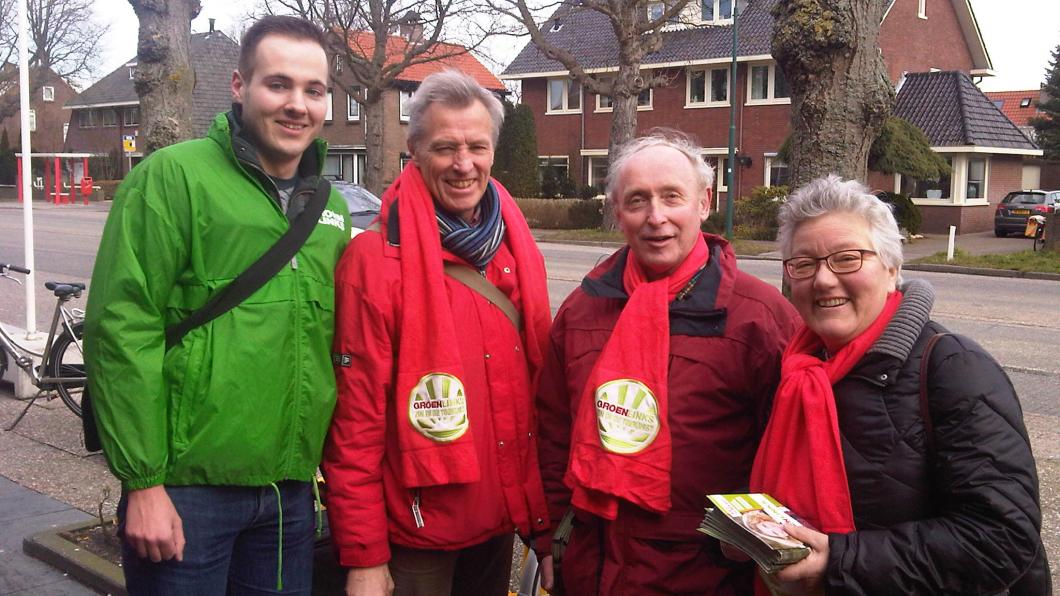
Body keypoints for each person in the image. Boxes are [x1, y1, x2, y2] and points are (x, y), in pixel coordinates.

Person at [83, 16, 350, 595]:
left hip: (288, 495)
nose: (297, 105)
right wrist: (145, 485)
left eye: (314, 90)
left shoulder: (329, 210)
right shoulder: (171, 180)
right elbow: (120, 330)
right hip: (186, 493)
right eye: (277, 84)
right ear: (238, 85)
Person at [750, 175, 1051, 595]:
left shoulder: (954, 370)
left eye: (847, 258)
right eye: (804, 264)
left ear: (892, 268)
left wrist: (839, 561)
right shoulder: (793, 374)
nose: (822, 279)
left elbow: (1002, 539)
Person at [535, 130, 801, 595]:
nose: (655, 217)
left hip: (705, 574)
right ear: (618, 212)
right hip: (590, 566)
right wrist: (549, 538)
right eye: (637, 201)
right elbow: (553, 431)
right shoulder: (582, 310)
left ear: (704, 202)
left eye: (671, 197)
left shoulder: (759, 318)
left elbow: (788, 460)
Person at [323, 69, 552, 596]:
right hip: (418, 529)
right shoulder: (375, 261)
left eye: (477, 146)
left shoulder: (514, 249)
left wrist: (543, 525)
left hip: (499, 518)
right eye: (445, 147)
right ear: (415, 149)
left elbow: (536, 396)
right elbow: (355, 422)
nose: (464, 163)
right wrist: (364, 556)